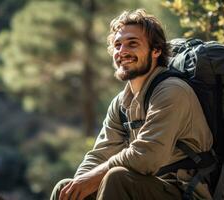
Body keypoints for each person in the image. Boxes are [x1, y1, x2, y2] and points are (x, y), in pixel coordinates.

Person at [50, 9, 213, 200]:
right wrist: (79, 185)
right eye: (117, 45)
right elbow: (99, 155)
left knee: (116, 178)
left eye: (132, 44)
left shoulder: (172, 91)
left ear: (156, 50)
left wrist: (93, 179)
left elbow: (146, 156)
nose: (122, 51)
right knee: (66, 188)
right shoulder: (120, 104)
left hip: (185, 192)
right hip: (146, 187)